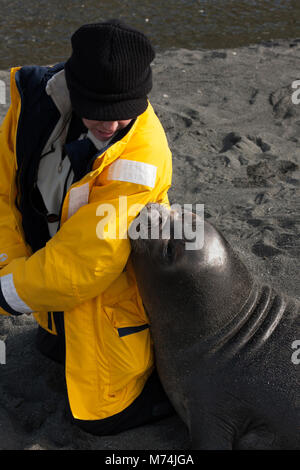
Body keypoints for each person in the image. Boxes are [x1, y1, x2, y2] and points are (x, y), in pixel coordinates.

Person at [0, 20, 173, 435]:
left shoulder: (143, 159)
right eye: (97, 109)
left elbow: (85, 264)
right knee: (50, 346)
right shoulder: (33, 107)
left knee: (103, 417)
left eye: (123, 111)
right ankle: (53, 322)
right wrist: (10, 262)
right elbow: (5, 194)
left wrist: (5, 290)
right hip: (54, 289)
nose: (110, 125)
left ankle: (170, 386)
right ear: (73, 89)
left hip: (109, 292)